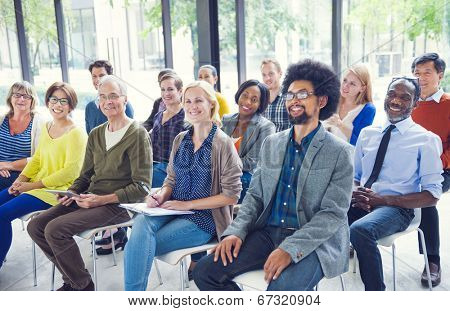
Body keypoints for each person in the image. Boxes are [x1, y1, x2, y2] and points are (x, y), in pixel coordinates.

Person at [193, 59, 354, 291]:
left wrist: (290, 248)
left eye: (302, 94)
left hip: (313, 240)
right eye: (289, 95)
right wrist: (236, 231)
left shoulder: (340, 152)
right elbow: (255, 196)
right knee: (205, 271)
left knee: (281, 291)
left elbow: (332, 214)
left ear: (322, 100)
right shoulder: (272, 143)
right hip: (268, 233)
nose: (294, 101)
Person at [27, 75, 152, 291]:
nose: (108, 102)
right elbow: (85, 175)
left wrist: (100, 200)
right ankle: (76, 281)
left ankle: (82, 286)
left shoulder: (137, 134)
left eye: (113, 96)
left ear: (125, 99)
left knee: (56, 229)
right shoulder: (96, 134)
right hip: (90, 198)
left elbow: (142, 187)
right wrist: (72, 191)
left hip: (119, 204)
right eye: (102, 97)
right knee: (36, 226)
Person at [124, 80, 242, 291]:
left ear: (211, 105)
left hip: (204, 219)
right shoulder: (181, 139)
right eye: (187, 101)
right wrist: (161, 195)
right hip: (171, 209)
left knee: (137, 247)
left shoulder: (222, 143)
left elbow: (232, 196)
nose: (192, 106)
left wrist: (186, 205)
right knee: (141, 223)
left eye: (198, 100)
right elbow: (171, 179)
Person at [349, 77, 443, 291]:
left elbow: (432, 195)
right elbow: (356, 176)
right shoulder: (368, 133)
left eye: (405, 97)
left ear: (416, 103)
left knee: (361, 230)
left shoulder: (426, 139)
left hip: (397, 209)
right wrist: (356, 193)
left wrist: (384, 200)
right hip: (362, 203)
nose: (396, 100)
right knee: (318, 214)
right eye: (392, 93)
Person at [0, 82, 87, 268]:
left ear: (71, 105)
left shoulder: (77, 133)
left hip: (56, 192)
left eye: (64, 101)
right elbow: (37, 160)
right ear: (47, 102)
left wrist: (29, 186)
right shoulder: (48, 127)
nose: (58, 104)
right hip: (36, 185)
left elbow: (70, 173)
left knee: (2, 214)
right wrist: (20, 180)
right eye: (54, 99)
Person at [411, 52, 450, 287]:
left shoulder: (448, 104)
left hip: (442, 169)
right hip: (409, 169)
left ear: (440, 75)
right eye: (417, 73)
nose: (421, 78)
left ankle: (432, 260)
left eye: (427, 72)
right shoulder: (409, 103)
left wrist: (436, 164)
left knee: (425, 196)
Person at [222, 79, 275, 203]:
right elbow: (214, 151)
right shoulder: (227, 119)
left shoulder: (266, 127)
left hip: (246, 177)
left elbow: (251, 163)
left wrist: (221, 164)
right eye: (244, 95)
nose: (247, 102)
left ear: (260, 104)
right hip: (223, 175)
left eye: (254, 99)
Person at [0, 82, 46, 190]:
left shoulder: (40, 123)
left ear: (32, 101)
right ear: (10, 98)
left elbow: (40, 158)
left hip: (22, 174)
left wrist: (7, 165)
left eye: (26, 96)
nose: (21, 99)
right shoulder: (2, 120)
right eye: (16, 95)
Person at [323, 64, 376, 145]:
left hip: (349, 155)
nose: (345, 86)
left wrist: (340, 124)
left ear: (362, 88)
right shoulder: (333, 99)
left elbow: (359, 142)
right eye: (345, 80)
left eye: (352, 84)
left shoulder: (368, 109)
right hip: (327, 151)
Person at [150, 73, 187, 188]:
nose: (166, 93)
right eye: (163, 89)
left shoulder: (186, 117)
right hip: (153, 166)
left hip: (172, 172)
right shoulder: (158, 116)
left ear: (180, 91)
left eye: (170, 89)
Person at [85, 60, 134, 133]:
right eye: (94, 76)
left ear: (110, 76)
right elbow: (90, 135)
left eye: (101, 75)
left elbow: (129, 131)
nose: (98, 80)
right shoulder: (89, 107)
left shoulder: (122, 105)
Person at [260, 58, 290, 132]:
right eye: (264, 75)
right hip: (264, 143)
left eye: (271, 74)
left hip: (284, 142)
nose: (267, 78)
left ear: (280, 74)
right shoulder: (260, 98)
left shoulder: (289, 97)